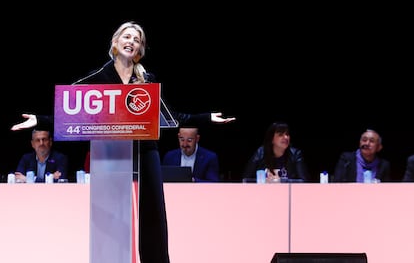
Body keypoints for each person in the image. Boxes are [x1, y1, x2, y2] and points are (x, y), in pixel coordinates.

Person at [10, 21, 235, 263]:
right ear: (115, 43)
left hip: (145, 150)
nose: (131, 42)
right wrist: (40, 121)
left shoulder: (146, 80)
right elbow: (70, 113)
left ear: (140, 50)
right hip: (110, 153)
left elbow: (172, 117)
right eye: (126, 37)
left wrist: (206, 118)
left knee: (153, 214)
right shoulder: (99, 78)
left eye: (137, 40)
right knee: (110, 216)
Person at [243, 122, 310, 183]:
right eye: (281, 135)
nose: (286, 137)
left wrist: (280, 181)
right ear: (271, 139)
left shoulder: (295, 154)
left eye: (287, 134)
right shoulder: (260, 153)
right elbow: (246, 179)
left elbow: (304, 181)